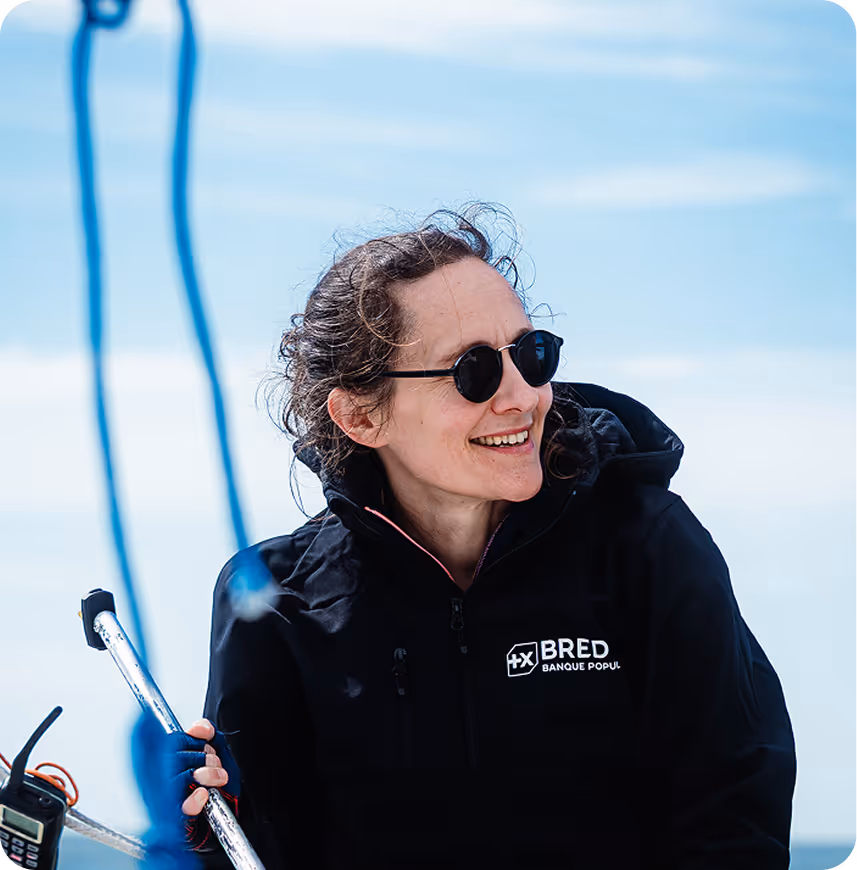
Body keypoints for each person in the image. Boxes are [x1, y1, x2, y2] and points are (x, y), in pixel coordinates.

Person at [177, 205, 796, 869]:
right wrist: (213, 818)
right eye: (472, 371)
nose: (521, 397)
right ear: (360, 415)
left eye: (531, 355)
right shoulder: (275, 598)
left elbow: (734, 819)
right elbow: (258, 853)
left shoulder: (647, 547)